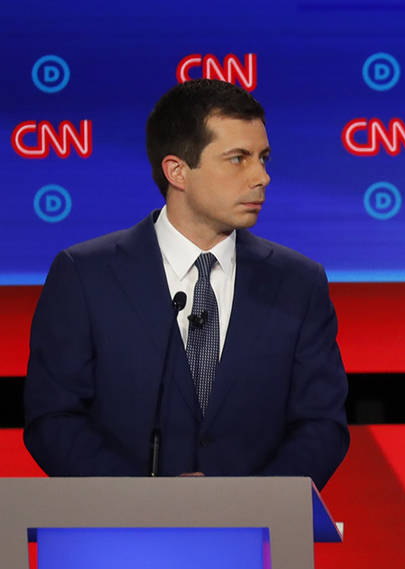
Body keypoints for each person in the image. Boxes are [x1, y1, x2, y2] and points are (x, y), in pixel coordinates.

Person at [24, 79, 349, 487]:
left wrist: (244, 500)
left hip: (253, 538)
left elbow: (322, 426)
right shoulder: (85, 274)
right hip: (116, 538)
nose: (262, 177)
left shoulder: (299, 282)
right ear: (177, 171)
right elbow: (53, 418)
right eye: (238, 159)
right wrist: (146, 504)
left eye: (263, 158)